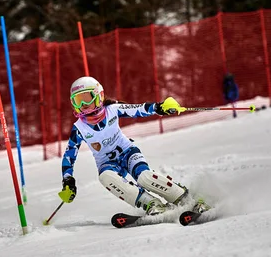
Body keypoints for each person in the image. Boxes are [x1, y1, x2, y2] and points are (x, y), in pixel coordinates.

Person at [58, 76, 198, 216]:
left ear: (98, 95)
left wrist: (159, 107)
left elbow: (138, 109)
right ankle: (151, 204)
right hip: (107, 163)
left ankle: (183, 197)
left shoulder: (112, 109)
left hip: (128, 152)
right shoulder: (79, 128)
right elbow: (69, 156)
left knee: (144, 178)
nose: (83, 104)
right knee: (105, 177)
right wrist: (68, 179)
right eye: (77, 100)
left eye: (86, 98)